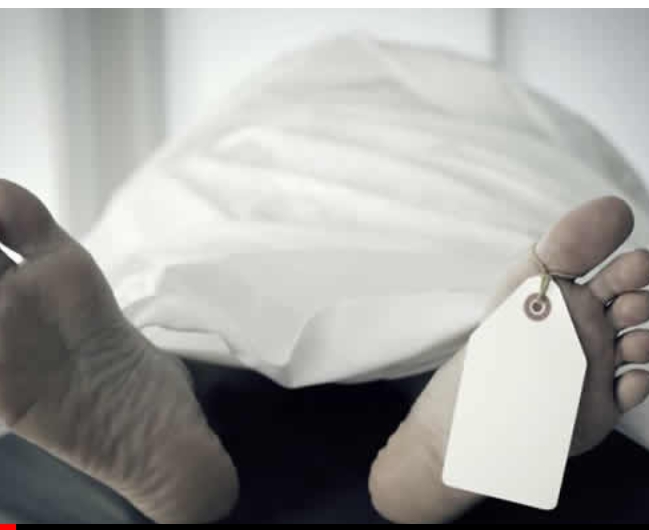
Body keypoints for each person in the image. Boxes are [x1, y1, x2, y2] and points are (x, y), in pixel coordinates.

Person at [1, 36, 649, 524]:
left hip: (210, 229)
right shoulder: (509, 118)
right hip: (487, 203)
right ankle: (441, 438)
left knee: (173, 279)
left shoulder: (245, 123)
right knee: (485, 281)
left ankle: (168, 381)